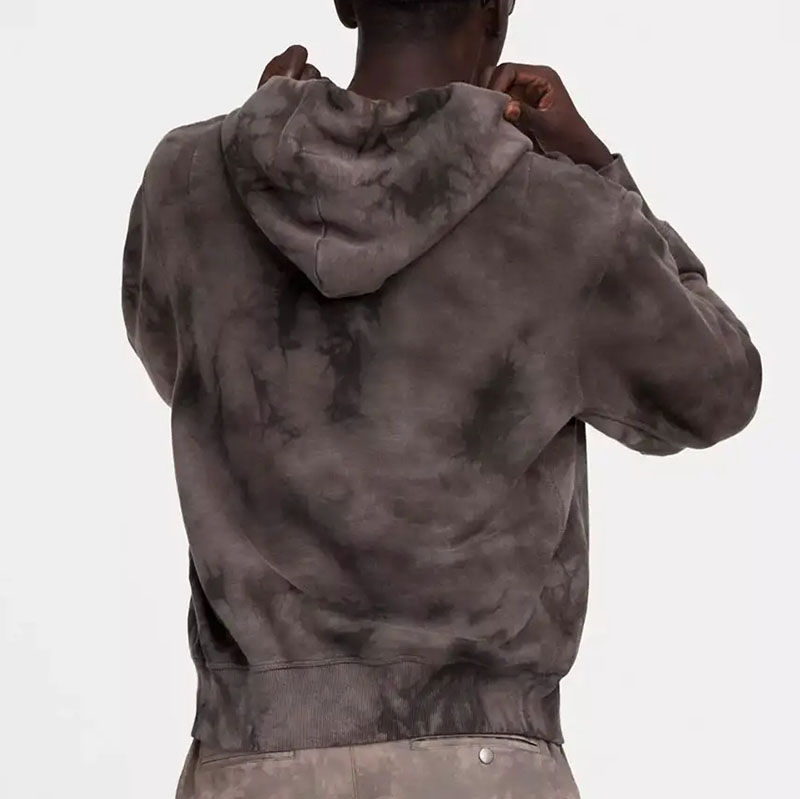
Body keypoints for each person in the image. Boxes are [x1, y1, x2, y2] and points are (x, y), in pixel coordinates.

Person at [121, 1, 762, 797]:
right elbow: (718, 386)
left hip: (252, 762)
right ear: (498, 9)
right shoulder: (562, 214)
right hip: (483, 770)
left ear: (346, 2)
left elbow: (190, 374)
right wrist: (600, 169)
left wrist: (258, 152)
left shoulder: (187, 182)